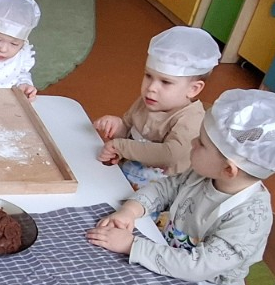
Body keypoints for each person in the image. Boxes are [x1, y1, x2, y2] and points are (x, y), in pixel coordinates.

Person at [88, 90, 275, 285]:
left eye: (202, 143)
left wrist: (132, 246)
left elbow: (197, 266)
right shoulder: (204, 173)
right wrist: (131, 210)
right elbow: (165, 188)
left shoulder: (249, 220)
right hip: (167, 262)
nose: (193, 142)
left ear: (229, 170)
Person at [94, 26, 222, 189]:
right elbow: (128, 131)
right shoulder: (148, 101)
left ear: (193, 89)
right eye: (148, 76)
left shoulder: (191, 119)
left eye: (165, 82)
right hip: (123, 178)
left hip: (160, 193)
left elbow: (170, 154)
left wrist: (121, 147)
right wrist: (117, 126)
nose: (151, 88)